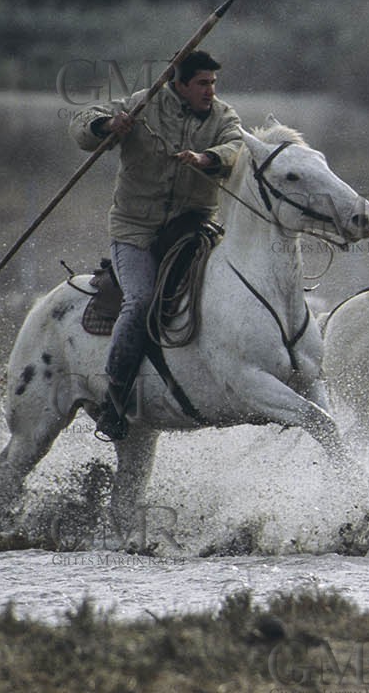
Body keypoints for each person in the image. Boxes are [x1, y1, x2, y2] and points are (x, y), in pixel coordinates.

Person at [69, 49, 246, 440]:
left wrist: (207, 158)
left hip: (192, 227)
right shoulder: (141, 104)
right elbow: (82, 125)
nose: (210, 91)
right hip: (135, 231)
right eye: (202, 83)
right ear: (178, 84)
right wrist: (107, 125)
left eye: (213, 83)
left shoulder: (223, 116)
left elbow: (236, 148)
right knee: (141, 300)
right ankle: (115, 399)